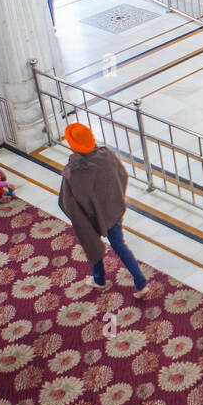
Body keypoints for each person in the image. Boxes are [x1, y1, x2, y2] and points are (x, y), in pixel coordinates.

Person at [57, 123, 149, 297]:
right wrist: (115, 200)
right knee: (119, 246)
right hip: (112, 211)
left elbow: (67, 201)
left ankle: (99, 280)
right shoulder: (106, 155)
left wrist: (83, 217)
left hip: (88, 216)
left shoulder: (72, 170)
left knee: (92, 243)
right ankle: (141, 283)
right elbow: (122, 175)